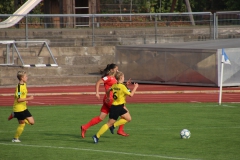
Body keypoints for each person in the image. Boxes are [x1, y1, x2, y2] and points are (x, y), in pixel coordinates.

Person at [81, 63, 130, 138]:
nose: (118, 70)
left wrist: (125, 84)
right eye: (116, 69)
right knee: (125, 114)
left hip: (107, 100)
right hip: (111, 100)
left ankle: (85, 127)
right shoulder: (109, 78)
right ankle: (119, 130)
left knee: (101, 118)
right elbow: (98, 82)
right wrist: (97, 93)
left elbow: (118, 87)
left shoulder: (115, 78)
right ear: (111, 70)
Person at [92, 71, 139, 143]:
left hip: (119, 106)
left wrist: (108, 97)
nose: (124, 78)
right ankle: (96, 136)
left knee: (128, 118)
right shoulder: (122, 86)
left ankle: (113, 126)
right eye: (123, 77)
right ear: (121, 77)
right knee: (108, 124)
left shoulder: (115, 85)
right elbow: (131, 95)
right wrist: (135, 87)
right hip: (116, 108)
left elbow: (108, 90)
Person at [11, 71, 34, 142]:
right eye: (26, 76)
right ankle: (15, 138)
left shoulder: (24, 84)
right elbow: (19, 99)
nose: (27, 77)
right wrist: (28, 99)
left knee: (32, 122)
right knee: (22, 124)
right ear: (21, 78)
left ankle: (14, 115)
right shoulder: (19, 87)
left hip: (24, 107)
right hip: (19, 109)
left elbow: (22, 97)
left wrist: (25, 101)